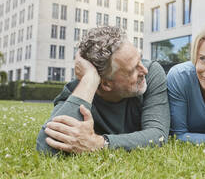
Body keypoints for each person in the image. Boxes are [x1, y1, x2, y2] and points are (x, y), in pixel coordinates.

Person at [36, 26, 170, 155]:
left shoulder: (152, 72)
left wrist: (100, 144)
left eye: (140, 59)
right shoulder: (77, 92)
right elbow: (46, 147)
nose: (144, 70)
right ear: (106, 84)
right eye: (132, 70)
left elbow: (157, 135)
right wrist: (90, 78)